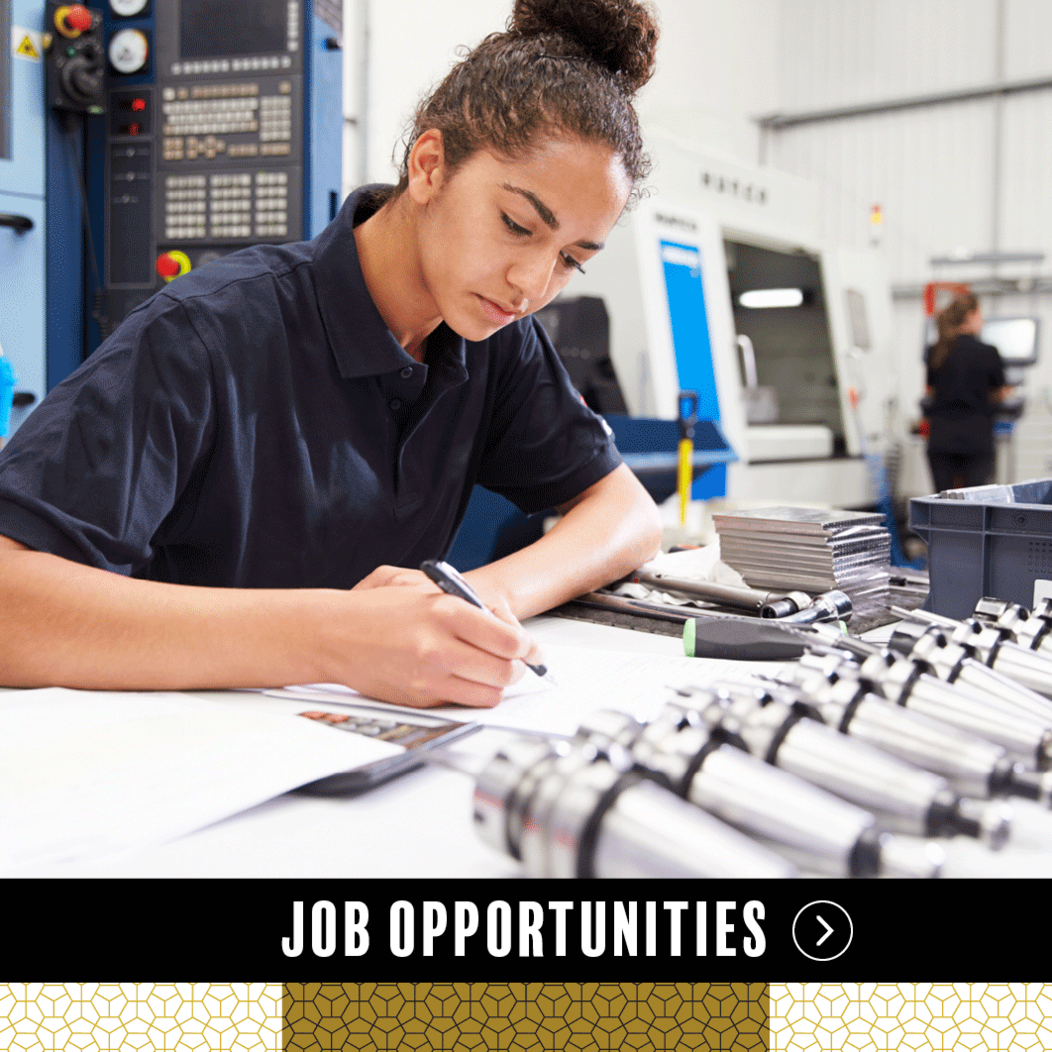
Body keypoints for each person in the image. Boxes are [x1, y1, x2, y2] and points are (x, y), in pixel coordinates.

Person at [0, 0, 664, 707]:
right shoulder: (206, 334)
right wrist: (334, 636)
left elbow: (627, 513)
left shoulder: (495, 341)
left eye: (571, 260)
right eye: (515, 225)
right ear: (430, 165)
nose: (532, 285)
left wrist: (476, 598)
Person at [924, 292, 1009, 492]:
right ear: (970, 316)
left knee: (942, 504)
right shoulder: (988, 352)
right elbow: (999, 392)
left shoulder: (936, 350)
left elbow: (931, 390)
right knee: (974, 506)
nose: (983, 320)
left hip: (940, 440)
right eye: (980, 315)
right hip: (976, 440)